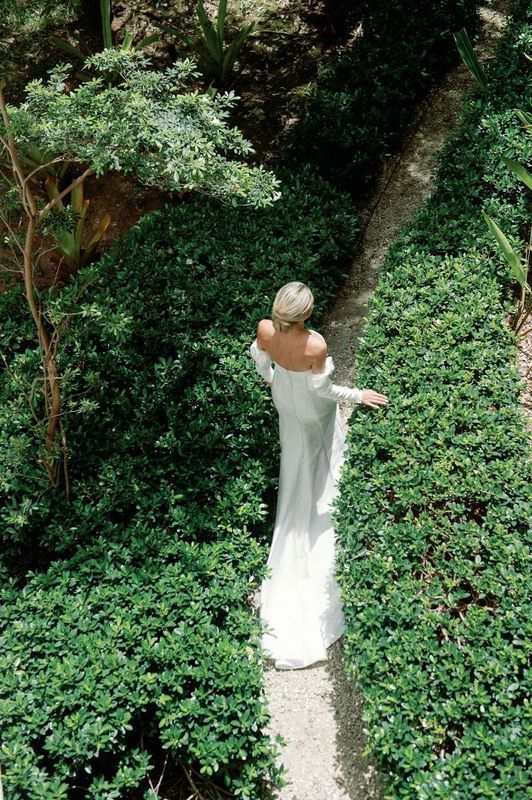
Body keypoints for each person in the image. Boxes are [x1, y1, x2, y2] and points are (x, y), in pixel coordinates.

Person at [249, 281, 389, 670]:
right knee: (319, 459)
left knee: (293, 458)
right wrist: (359, 395)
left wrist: (275, 381)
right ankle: (322, 503)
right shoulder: (316, 345)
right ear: (306, 314)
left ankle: (299, 502)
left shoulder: (264, 329)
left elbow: (262, 362)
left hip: (285, 406)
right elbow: (324, 391)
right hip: (313, 412)